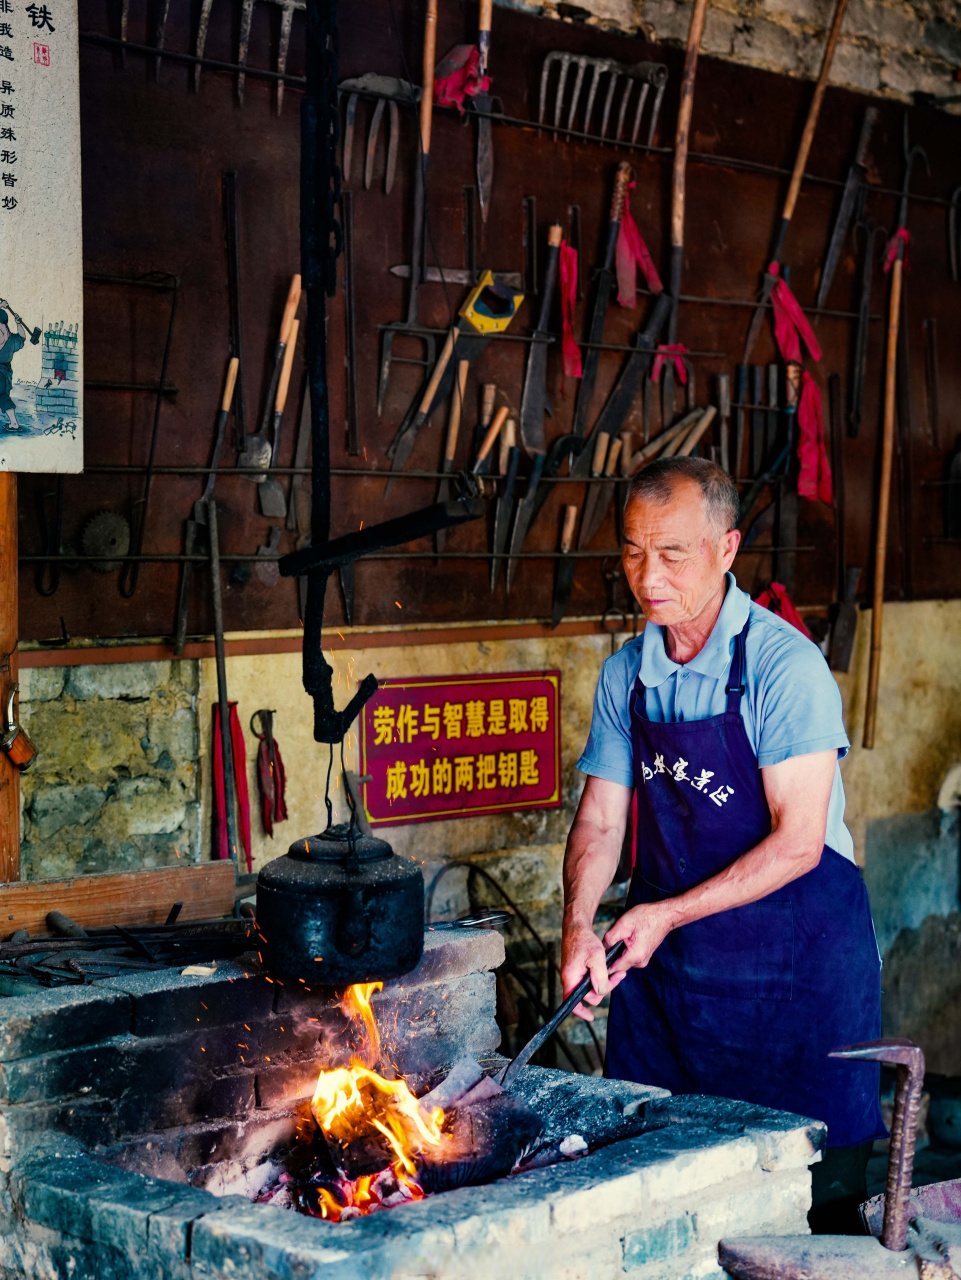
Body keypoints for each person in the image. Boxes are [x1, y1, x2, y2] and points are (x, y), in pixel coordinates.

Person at [561, 456, 884, 1232]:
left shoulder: (783, 667)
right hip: (675, 987)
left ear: (727, 548)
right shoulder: (626, 676)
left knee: (810, 1218)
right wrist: (575, 927)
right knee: (663, 1197)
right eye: (633, 552)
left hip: (795, 973)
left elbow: (798, 844)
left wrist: (666, 914)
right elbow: (600, 821)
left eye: (672, 554)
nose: (648, 576)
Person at [0, 302, 25, 432]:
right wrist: (19, 323)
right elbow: (22, 338)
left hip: (2, 375)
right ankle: (14, 423)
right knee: (3, 397)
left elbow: (22, 338)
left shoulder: (10, 340)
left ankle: (14, 423)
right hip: (4, 376)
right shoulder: (12, 340)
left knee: (3, 396)